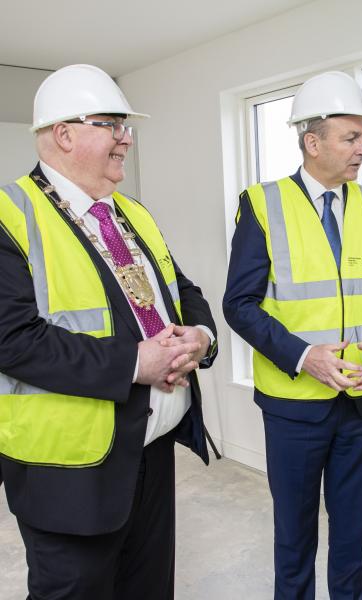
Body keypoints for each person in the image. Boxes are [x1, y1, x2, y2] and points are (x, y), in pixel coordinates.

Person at [0, 64, 218, 600]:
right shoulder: (9, 216)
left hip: (149, 450)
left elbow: (182, 288)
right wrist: (133, 364)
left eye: (126, 127)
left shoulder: (132, 214)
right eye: (111, 125)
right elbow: (12, 338)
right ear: (64, 134)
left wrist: (200, 336)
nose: (125, 139)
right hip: (69, 470)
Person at [223, 71, 362, 599]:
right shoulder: (263, 204)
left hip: (361, 403)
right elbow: (238, 304)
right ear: (313, 143)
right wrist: (303, 355)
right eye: (351, 137)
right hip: (294, 408)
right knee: (294, 538)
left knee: (354, 535)